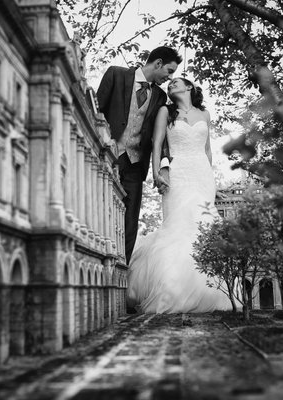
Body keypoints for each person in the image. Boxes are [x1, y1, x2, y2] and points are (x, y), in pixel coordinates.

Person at [127, 77, 232, 314]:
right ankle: (172, 291)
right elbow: (157, 144)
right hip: (177, 172)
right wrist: (156, 172)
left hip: (202, 175)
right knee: (178, 226)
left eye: (176, 81)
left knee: (203, 225)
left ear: (189, 88)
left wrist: (211, 177)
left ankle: (210, 293)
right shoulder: (165, 111)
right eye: (170, 82)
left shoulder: (205, 114)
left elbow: (207, 150)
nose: (171, 83)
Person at [97, 47, 182, 267]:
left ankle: (122, 272)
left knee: (129, 223)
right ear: (158, 63)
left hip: (135, 165)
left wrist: (160, 168)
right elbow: (95, 112)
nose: (169, 77)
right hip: (106, 158)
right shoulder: (116, 74)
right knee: (99, 209)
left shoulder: (160, 96)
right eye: (169, 70)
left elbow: (159, 137)